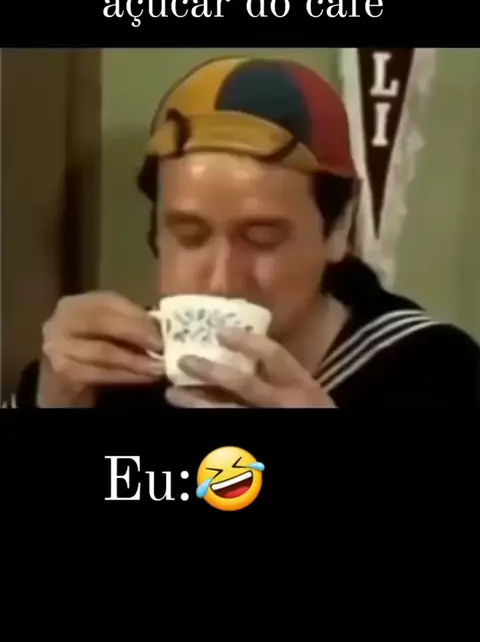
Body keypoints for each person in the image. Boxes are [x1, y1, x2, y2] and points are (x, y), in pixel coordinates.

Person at [5, 56, 480, 409]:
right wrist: (50, 402)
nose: (220, 281)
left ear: (338, 230)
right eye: (190, 235)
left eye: (262, 238)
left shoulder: (433, 372)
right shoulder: (107, 372)